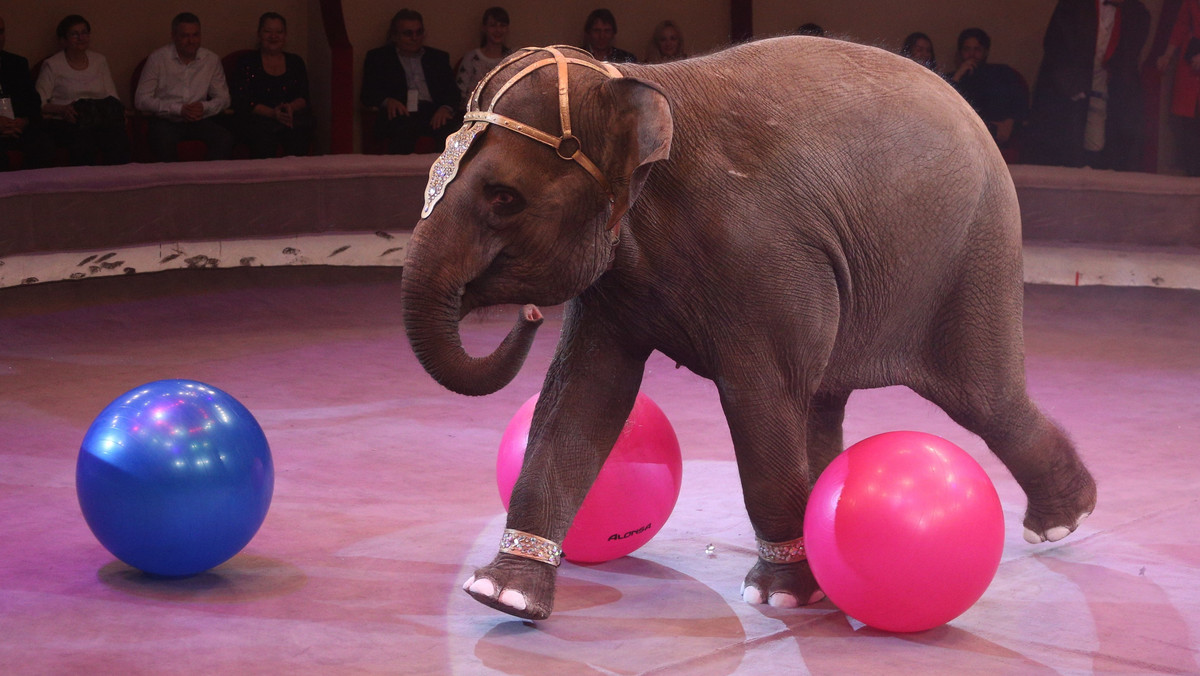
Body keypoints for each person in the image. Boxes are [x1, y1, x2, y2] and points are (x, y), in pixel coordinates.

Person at [1026, 0, 1150, 170]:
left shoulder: (1137, 13)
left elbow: (1129, 58)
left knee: (1102, 153)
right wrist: (1071, 85)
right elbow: (1055, 47)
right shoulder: (1073, 6)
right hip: (1068, 91)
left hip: (1107, 92)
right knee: (1065, 153)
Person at [134, 12, 233, 162]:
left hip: (199, 119)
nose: (191, 41)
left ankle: (208, 182)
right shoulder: (158, 59)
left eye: (195, 35)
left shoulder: (211, 60)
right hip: (167, 120)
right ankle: (173, 184)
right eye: (185, 36)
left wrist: (203, 107)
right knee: (163, 140)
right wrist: (178, 109)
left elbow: (224, 98)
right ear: (174, 36)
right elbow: (141, 100)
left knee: (225, 138)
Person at [361, 9, 460, 154]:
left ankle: (445, 175)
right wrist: (387, 101)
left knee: (453, 127)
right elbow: (367, 94)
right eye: (408, 33)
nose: (415, 38)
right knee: (402, 128)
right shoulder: (379, 58)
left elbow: (453, 92)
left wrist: (445, 108)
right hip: (400, 112)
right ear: (394, 36)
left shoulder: (437, 58)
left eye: (419, 32)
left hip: (432, 111)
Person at [35, 15, 130, 165]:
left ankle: (116, 182)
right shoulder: (52, 65)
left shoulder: (99, 60)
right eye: (74, 34)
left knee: (117, 137)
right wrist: (62, 109)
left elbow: (112, 96)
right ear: (63, 40)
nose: (81, 37)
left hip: (98, 118)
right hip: (68, 120)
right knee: (83, 139)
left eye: (84, 32)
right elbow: (38, 102)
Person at [228, 12, 313, 158]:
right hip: (257, 118)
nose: (273, 37)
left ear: (285, 36)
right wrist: (272, 113)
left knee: (301, 131)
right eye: (268, 31)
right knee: (263, 136)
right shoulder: (246, 61)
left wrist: (290, 108)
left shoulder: (295, 62)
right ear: (259, 34)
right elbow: (241, 100)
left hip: (289, 117)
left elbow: (304, 97)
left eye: (279, 32)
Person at [949, 28, 1028, 151]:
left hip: (998, 135)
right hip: (965, 134)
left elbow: (1020, 102)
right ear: (960, 52)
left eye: (977, 49)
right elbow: (945, 105)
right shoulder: (953, 78)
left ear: (985, 52)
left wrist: (1010, 122)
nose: (972, 54)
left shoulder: (1002, 72)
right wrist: (958, 75)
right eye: (967, 49)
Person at [0, 16, 52, 170]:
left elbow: (33, 103)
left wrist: (24, 121)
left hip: (16, 129)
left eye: (1, 32)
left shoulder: (16, 63)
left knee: (43, 145)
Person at [1156, 0, 1200, 176]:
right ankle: (1192, 176)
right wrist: (1167, 55)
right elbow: (1180, 26)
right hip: (1190, 66)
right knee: (1188, 125)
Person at [456, 7, 512, 110]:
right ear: (484, 28)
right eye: (493, 25)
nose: (498, 30)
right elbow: (459, 94)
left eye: (502, 26)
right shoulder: (471, 58)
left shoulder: (512, 59)